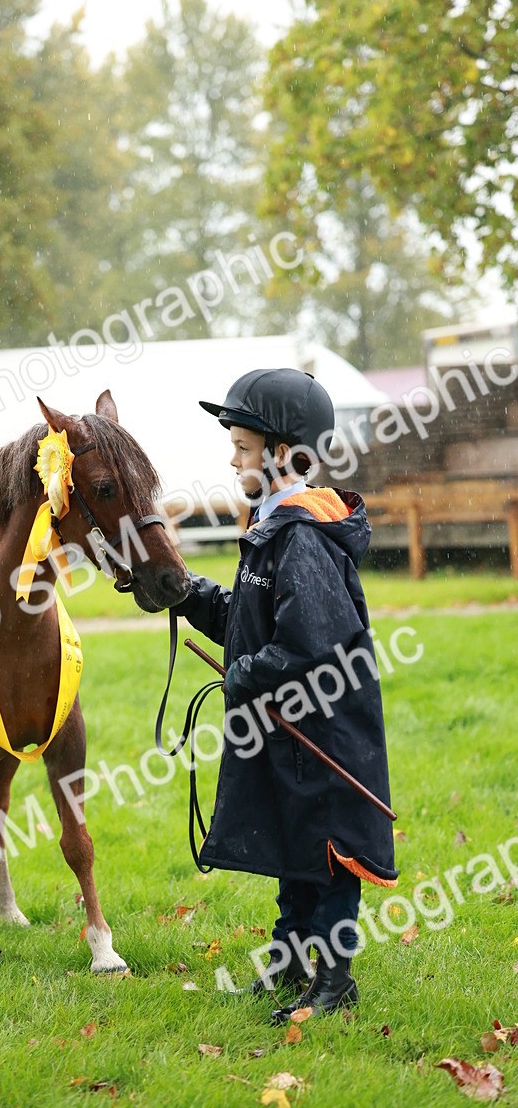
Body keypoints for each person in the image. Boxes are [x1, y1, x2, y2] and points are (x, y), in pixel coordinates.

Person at [176, 368, 397, 1021]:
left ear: (281, 454)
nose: (233, 460)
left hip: (324, 734)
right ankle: (291, 959)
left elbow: (310, 646)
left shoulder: (302, 538)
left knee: (326, 853)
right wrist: (188, 595)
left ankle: (335, 981)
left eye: (242, 448)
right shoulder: (270, 528)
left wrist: (243, 675)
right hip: (287, 731)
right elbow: (250, 622)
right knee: (293, 841)